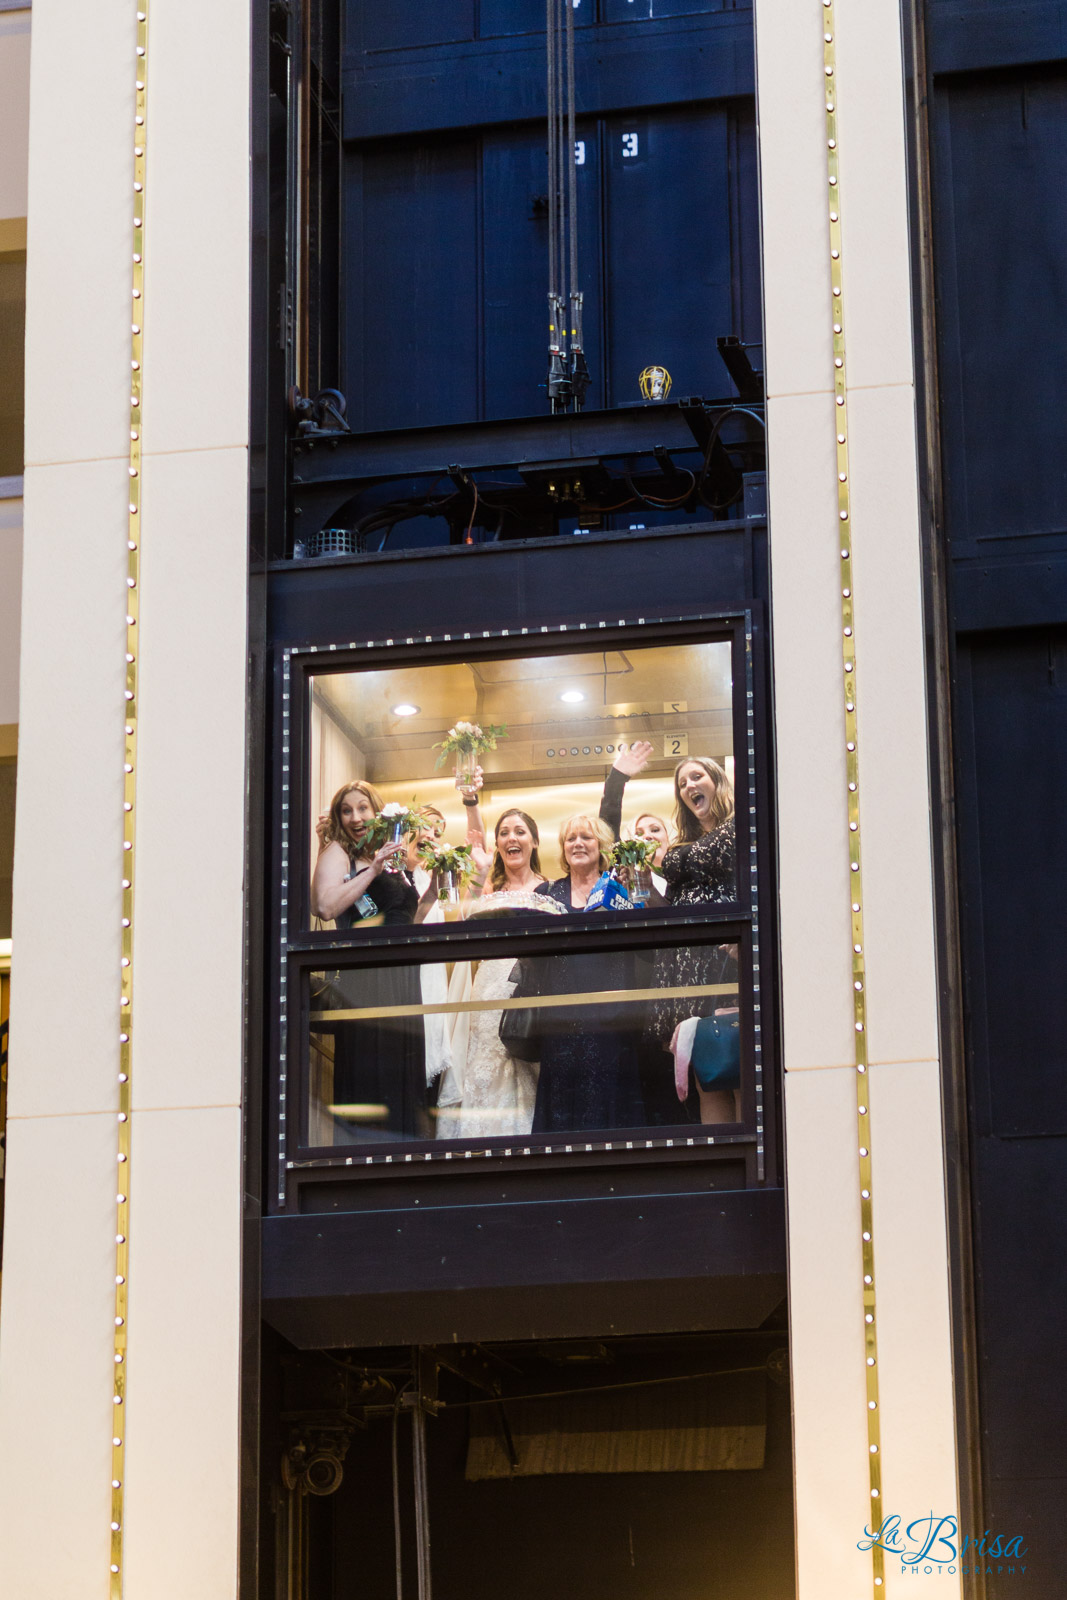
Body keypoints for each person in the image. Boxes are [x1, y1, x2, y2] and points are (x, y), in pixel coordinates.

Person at [309, 781, 440, 1142]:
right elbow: (323, 906)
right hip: (366, 980)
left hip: (402, 980)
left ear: (376, 811)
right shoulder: (340, 852)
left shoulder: (389, 855)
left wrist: (432, 891)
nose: (356, 817)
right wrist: (373, 870)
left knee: (401, 1077)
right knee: (372, 1072)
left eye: (363, 808)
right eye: (346, 810)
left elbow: (405, 920)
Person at [436, 807, 555, 1140]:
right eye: (503, 832)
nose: (511, 838)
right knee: (486, 1059)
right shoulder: (488, 887)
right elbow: (454, 922)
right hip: (488, 986)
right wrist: (478, 872)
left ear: (534, 841)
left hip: (533, 986)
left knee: (528, 1064)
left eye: (519, 831)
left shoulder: (550, 889)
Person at [528, 814, 645, 1133]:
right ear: (563, 849)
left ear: (602, 845)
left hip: (612, 1019)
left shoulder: (621, 886)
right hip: (561, 1021)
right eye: (570, 838)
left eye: (587, 837)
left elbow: (644, 945)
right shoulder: (546, 892)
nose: (578, 843)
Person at [645, 757, 739, 1126]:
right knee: (708, 1078)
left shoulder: (738, 827)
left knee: (737, 1071)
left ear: (717, 781)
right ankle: (723, 1171)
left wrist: (666, 857)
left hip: (728, 965)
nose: (688, 786)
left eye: (696, 777)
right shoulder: (686, 844)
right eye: (682, 783)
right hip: (690, 975)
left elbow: (703, 856)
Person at [597, 740, 669, 895]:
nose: (648, 836)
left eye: (655, 829)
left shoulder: (683, 874)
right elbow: (607, 829)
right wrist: (617, 778)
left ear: (668, 839)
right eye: (639, 833)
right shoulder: (625, 873)